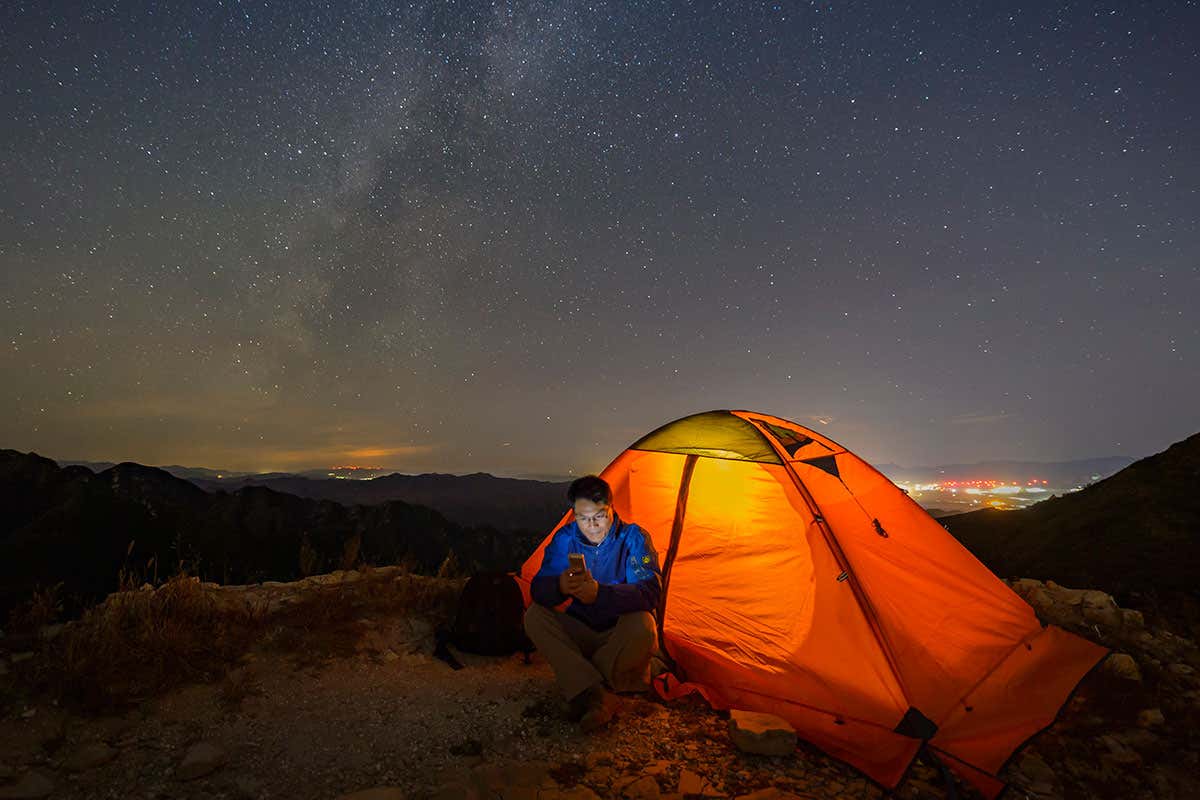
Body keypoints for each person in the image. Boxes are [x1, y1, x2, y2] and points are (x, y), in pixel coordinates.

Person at [524, 474, 662, 732]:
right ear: (574, 514)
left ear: (611, 508)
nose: (592, 526)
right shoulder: (566, 538)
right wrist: (560, 586)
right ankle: (600, 693)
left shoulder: (633, 539)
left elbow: (650, 591)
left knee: (643, 624)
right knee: (535, 616)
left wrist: (601, 594)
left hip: (616, 635)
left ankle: (584, 685)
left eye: (599, 516)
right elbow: (539, 589)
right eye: (583, 518)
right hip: (582, 630)